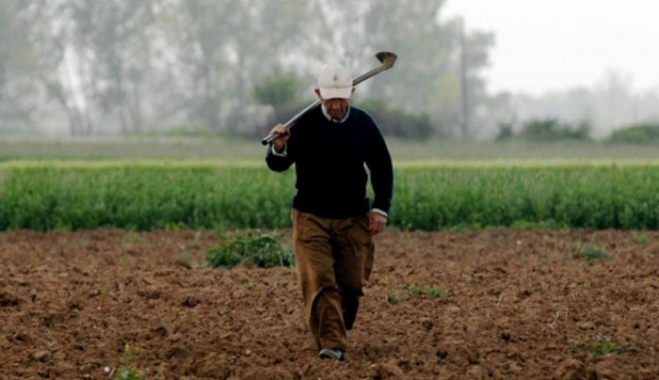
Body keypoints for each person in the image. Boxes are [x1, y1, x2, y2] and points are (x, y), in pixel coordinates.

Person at [264, 61, 394, 362]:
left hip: (353, 217)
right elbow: (277, 164)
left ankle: (335, 326)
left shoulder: (363, 125)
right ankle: (333, 343)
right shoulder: (302, 126)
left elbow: (382, 167)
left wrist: (380, 208)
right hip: (311, 217)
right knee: (320, 280)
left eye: (342, 98)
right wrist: (280, 146)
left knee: (350, 285)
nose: (336, 105)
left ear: (352, 92)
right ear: (318, 93)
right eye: (330, 98)